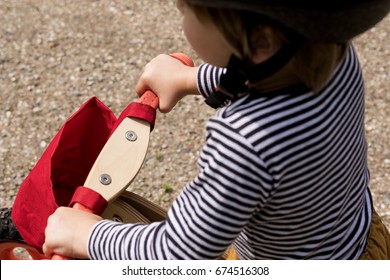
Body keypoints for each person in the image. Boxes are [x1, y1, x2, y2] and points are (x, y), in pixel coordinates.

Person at [42, 0, 390, 259]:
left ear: (261, 43)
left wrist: (87, 235)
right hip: (355, 242)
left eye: (186, 10)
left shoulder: (245, 141)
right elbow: (266, 76)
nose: (177, 7)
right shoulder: (336, 59)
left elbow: (181, 250)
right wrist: (190, 78)